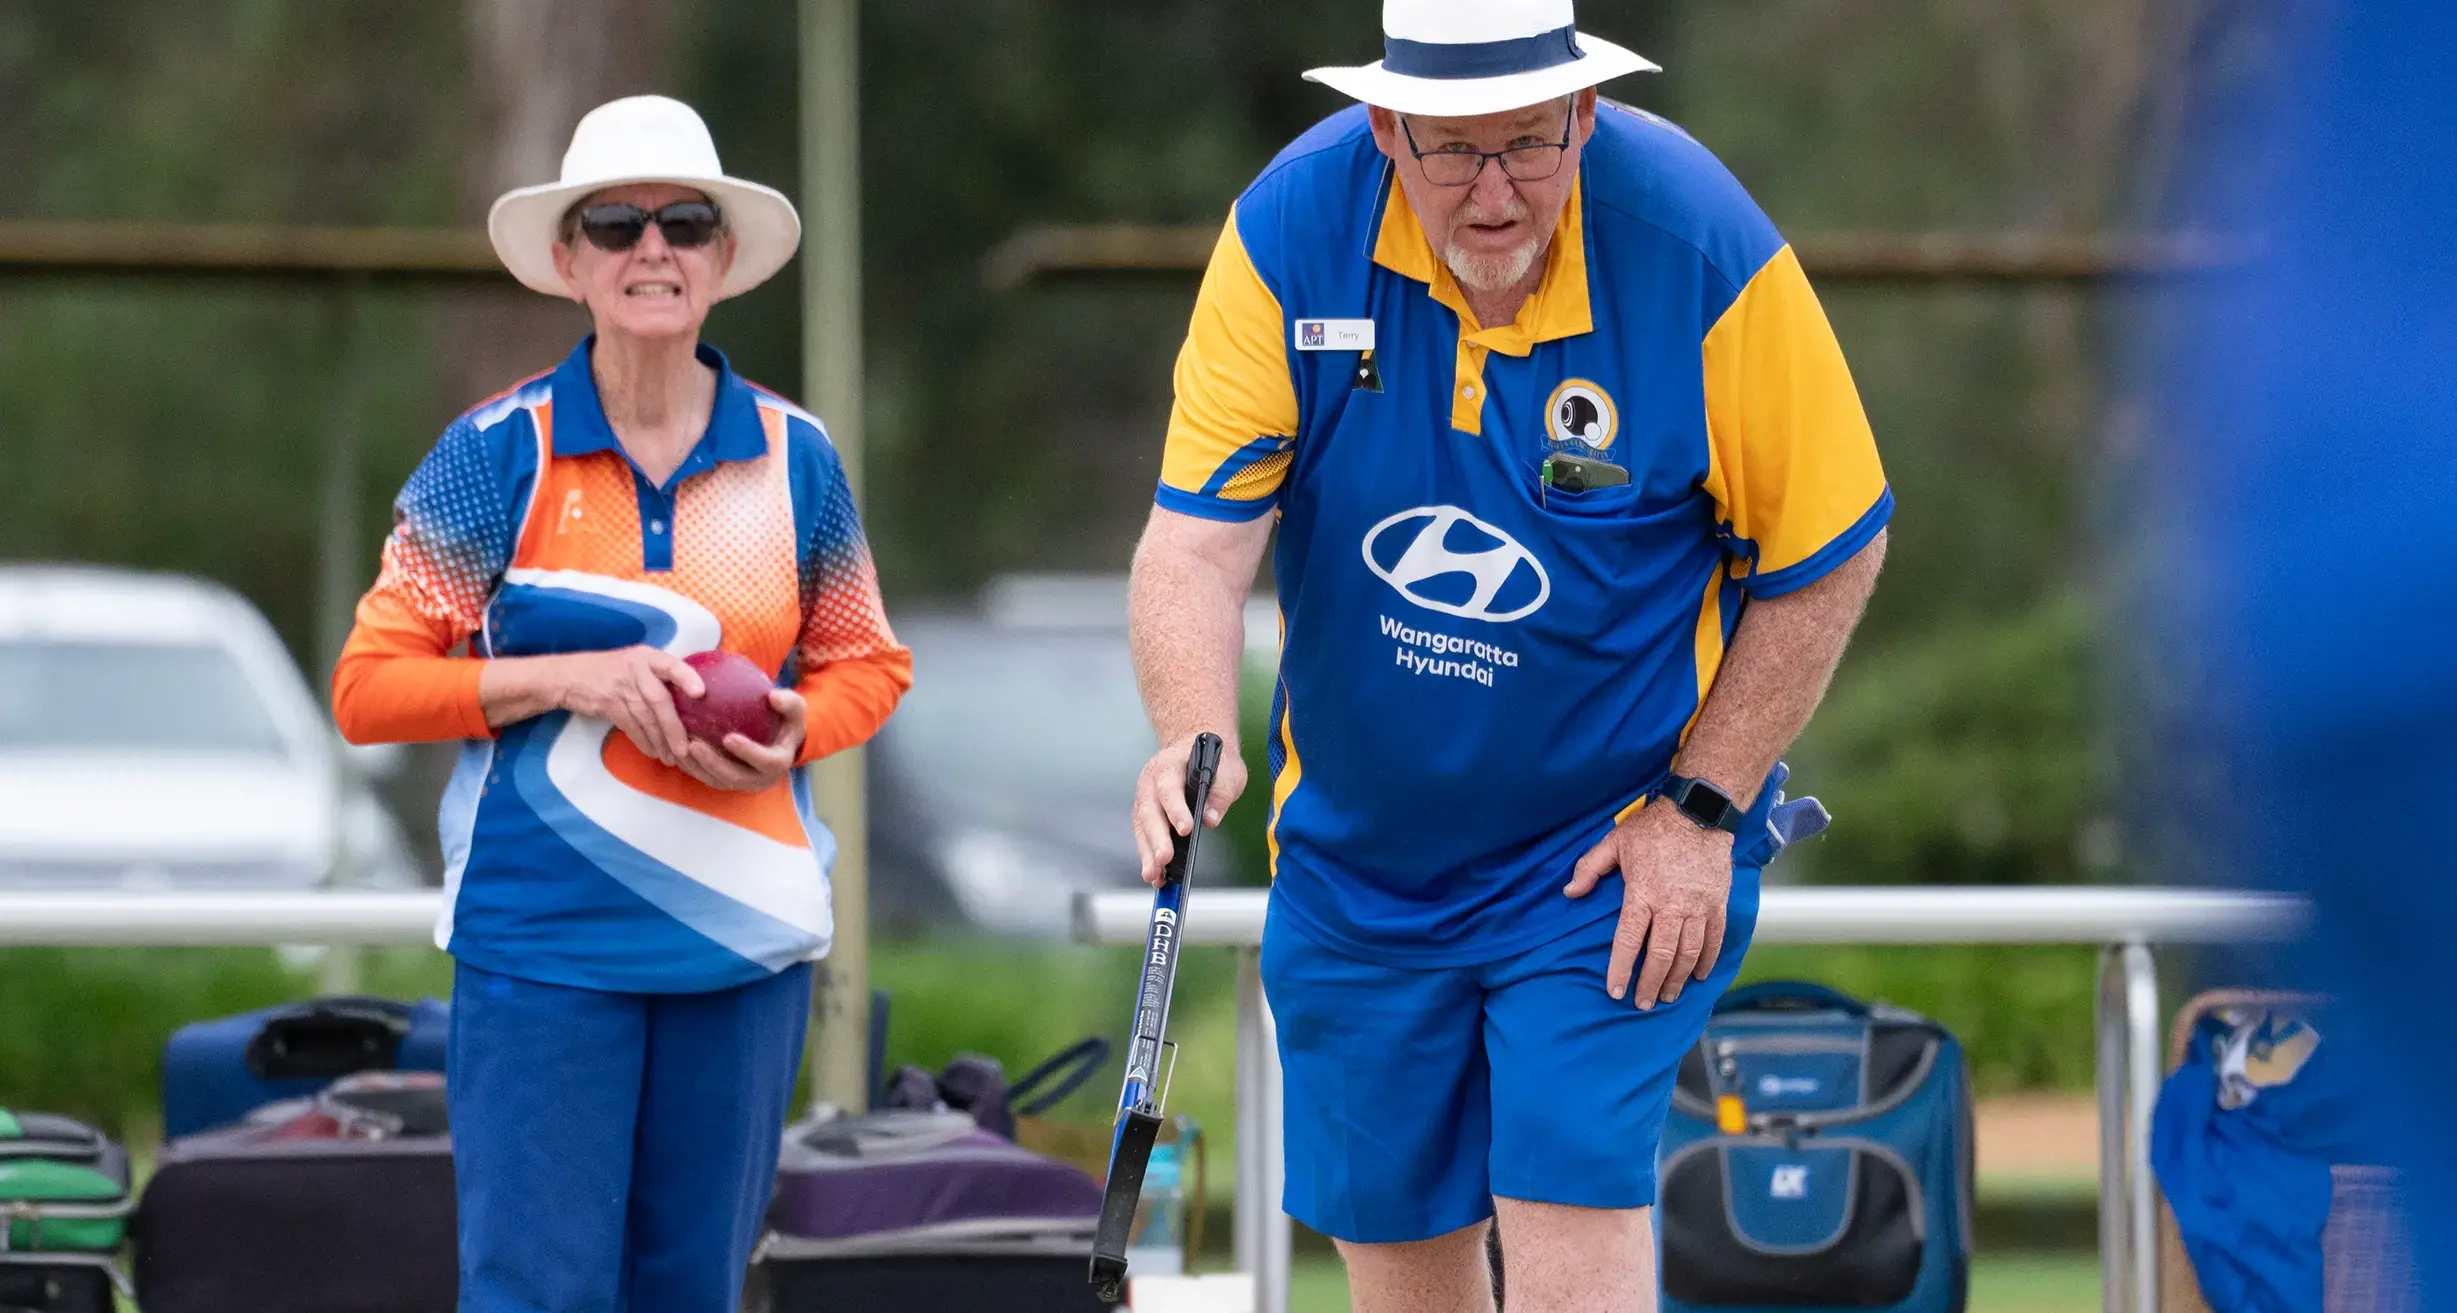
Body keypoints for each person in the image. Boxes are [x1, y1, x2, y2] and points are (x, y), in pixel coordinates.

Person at [1126, 1, 1889, 1308]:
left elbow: (1830, 548)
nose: (1492, 194)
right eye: (1450, 151)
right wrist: (1191, 727)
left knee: (1564, 1239)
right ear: (1384, 128)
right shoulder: (1287, 231)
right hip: (1359, 865)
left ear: (1584, 114)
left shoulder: (1699, 245)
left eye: (1530, 145)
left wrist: (1703, 805)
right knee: (1401, 1272)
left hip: (1603, 850)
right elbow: (1195, 545)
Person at [331, 95, 910, 1313]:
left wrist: (800, 727)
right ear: (568, 261)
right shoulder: (494, 455)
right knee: (533, 1294)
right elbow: (368, 689)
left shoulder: (797, 457)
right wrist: (566, 679)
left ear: (722, 259)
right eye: (616, 224)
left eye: (685, 222)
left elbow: (867, 663)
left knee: (692, 1292)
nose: (654, 248)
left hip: (744, 943)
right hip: (540, 947)